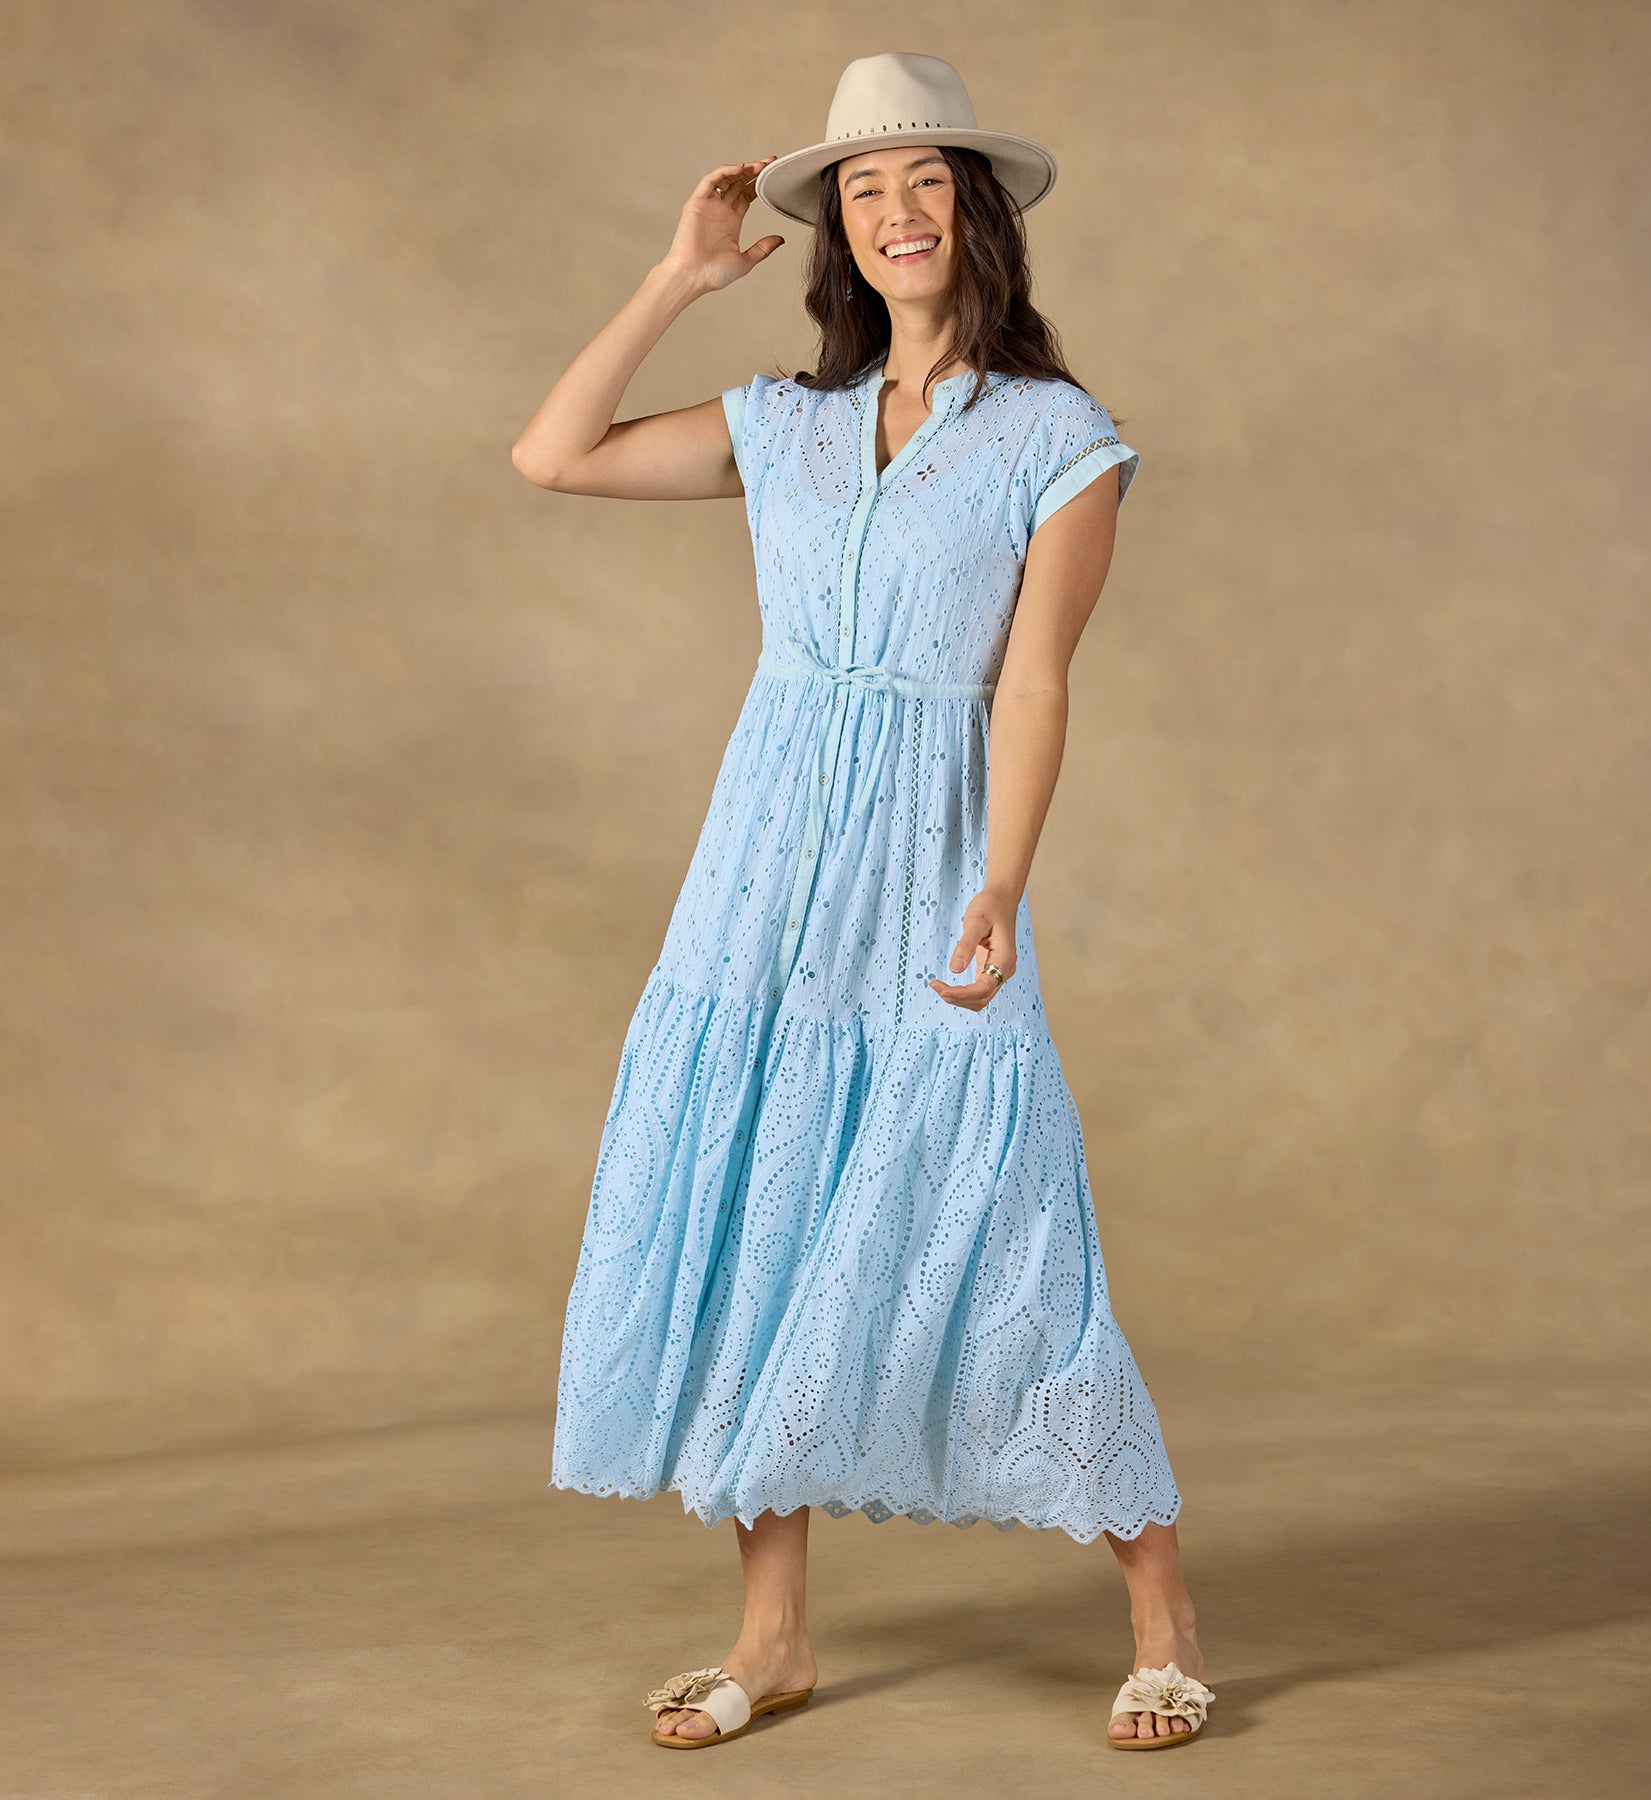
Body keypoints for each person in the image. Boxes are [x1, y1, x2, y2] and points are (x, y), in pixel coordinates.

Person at [512, 52, 1214, 1753]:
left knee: (1000, 1219)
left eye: (928, 180)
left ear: (977, 213)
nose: (899, 211)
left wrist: (1002, 882)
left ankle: (1163, 1613)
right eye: (866, 188)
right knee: (763, 1205)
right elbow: (553, 453)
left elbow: (1033, 682)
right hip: (761, 875)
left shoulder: (1058, 441)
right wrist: (677, 276)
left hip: (932, 865)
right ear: (839, 230)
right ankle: (773, 1637)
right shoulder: (789, 428)